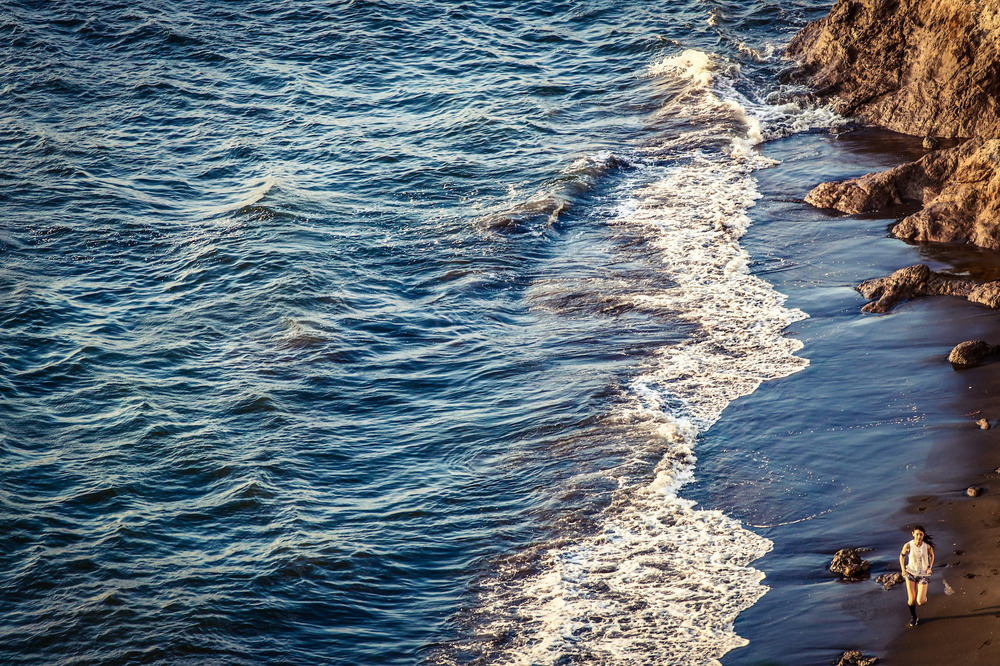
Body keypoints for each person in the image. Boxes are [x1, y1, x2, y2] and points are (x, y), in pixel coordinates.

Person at [899, 525, 935, 626]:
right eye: (917, 534)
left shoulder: (927, 546)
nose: (919, 536)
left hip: (923, 575)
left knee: (921, 601)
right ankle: (914, 617)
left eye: (921, 534)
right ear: (913, 534)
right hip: (910, 573)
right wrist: (903, 569)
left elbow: (932, 556)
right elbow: (901, 556)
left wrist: (929, 567)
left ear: (923, 535)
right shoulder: (908, 545)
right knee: (911, 600)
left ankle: (924, 597)